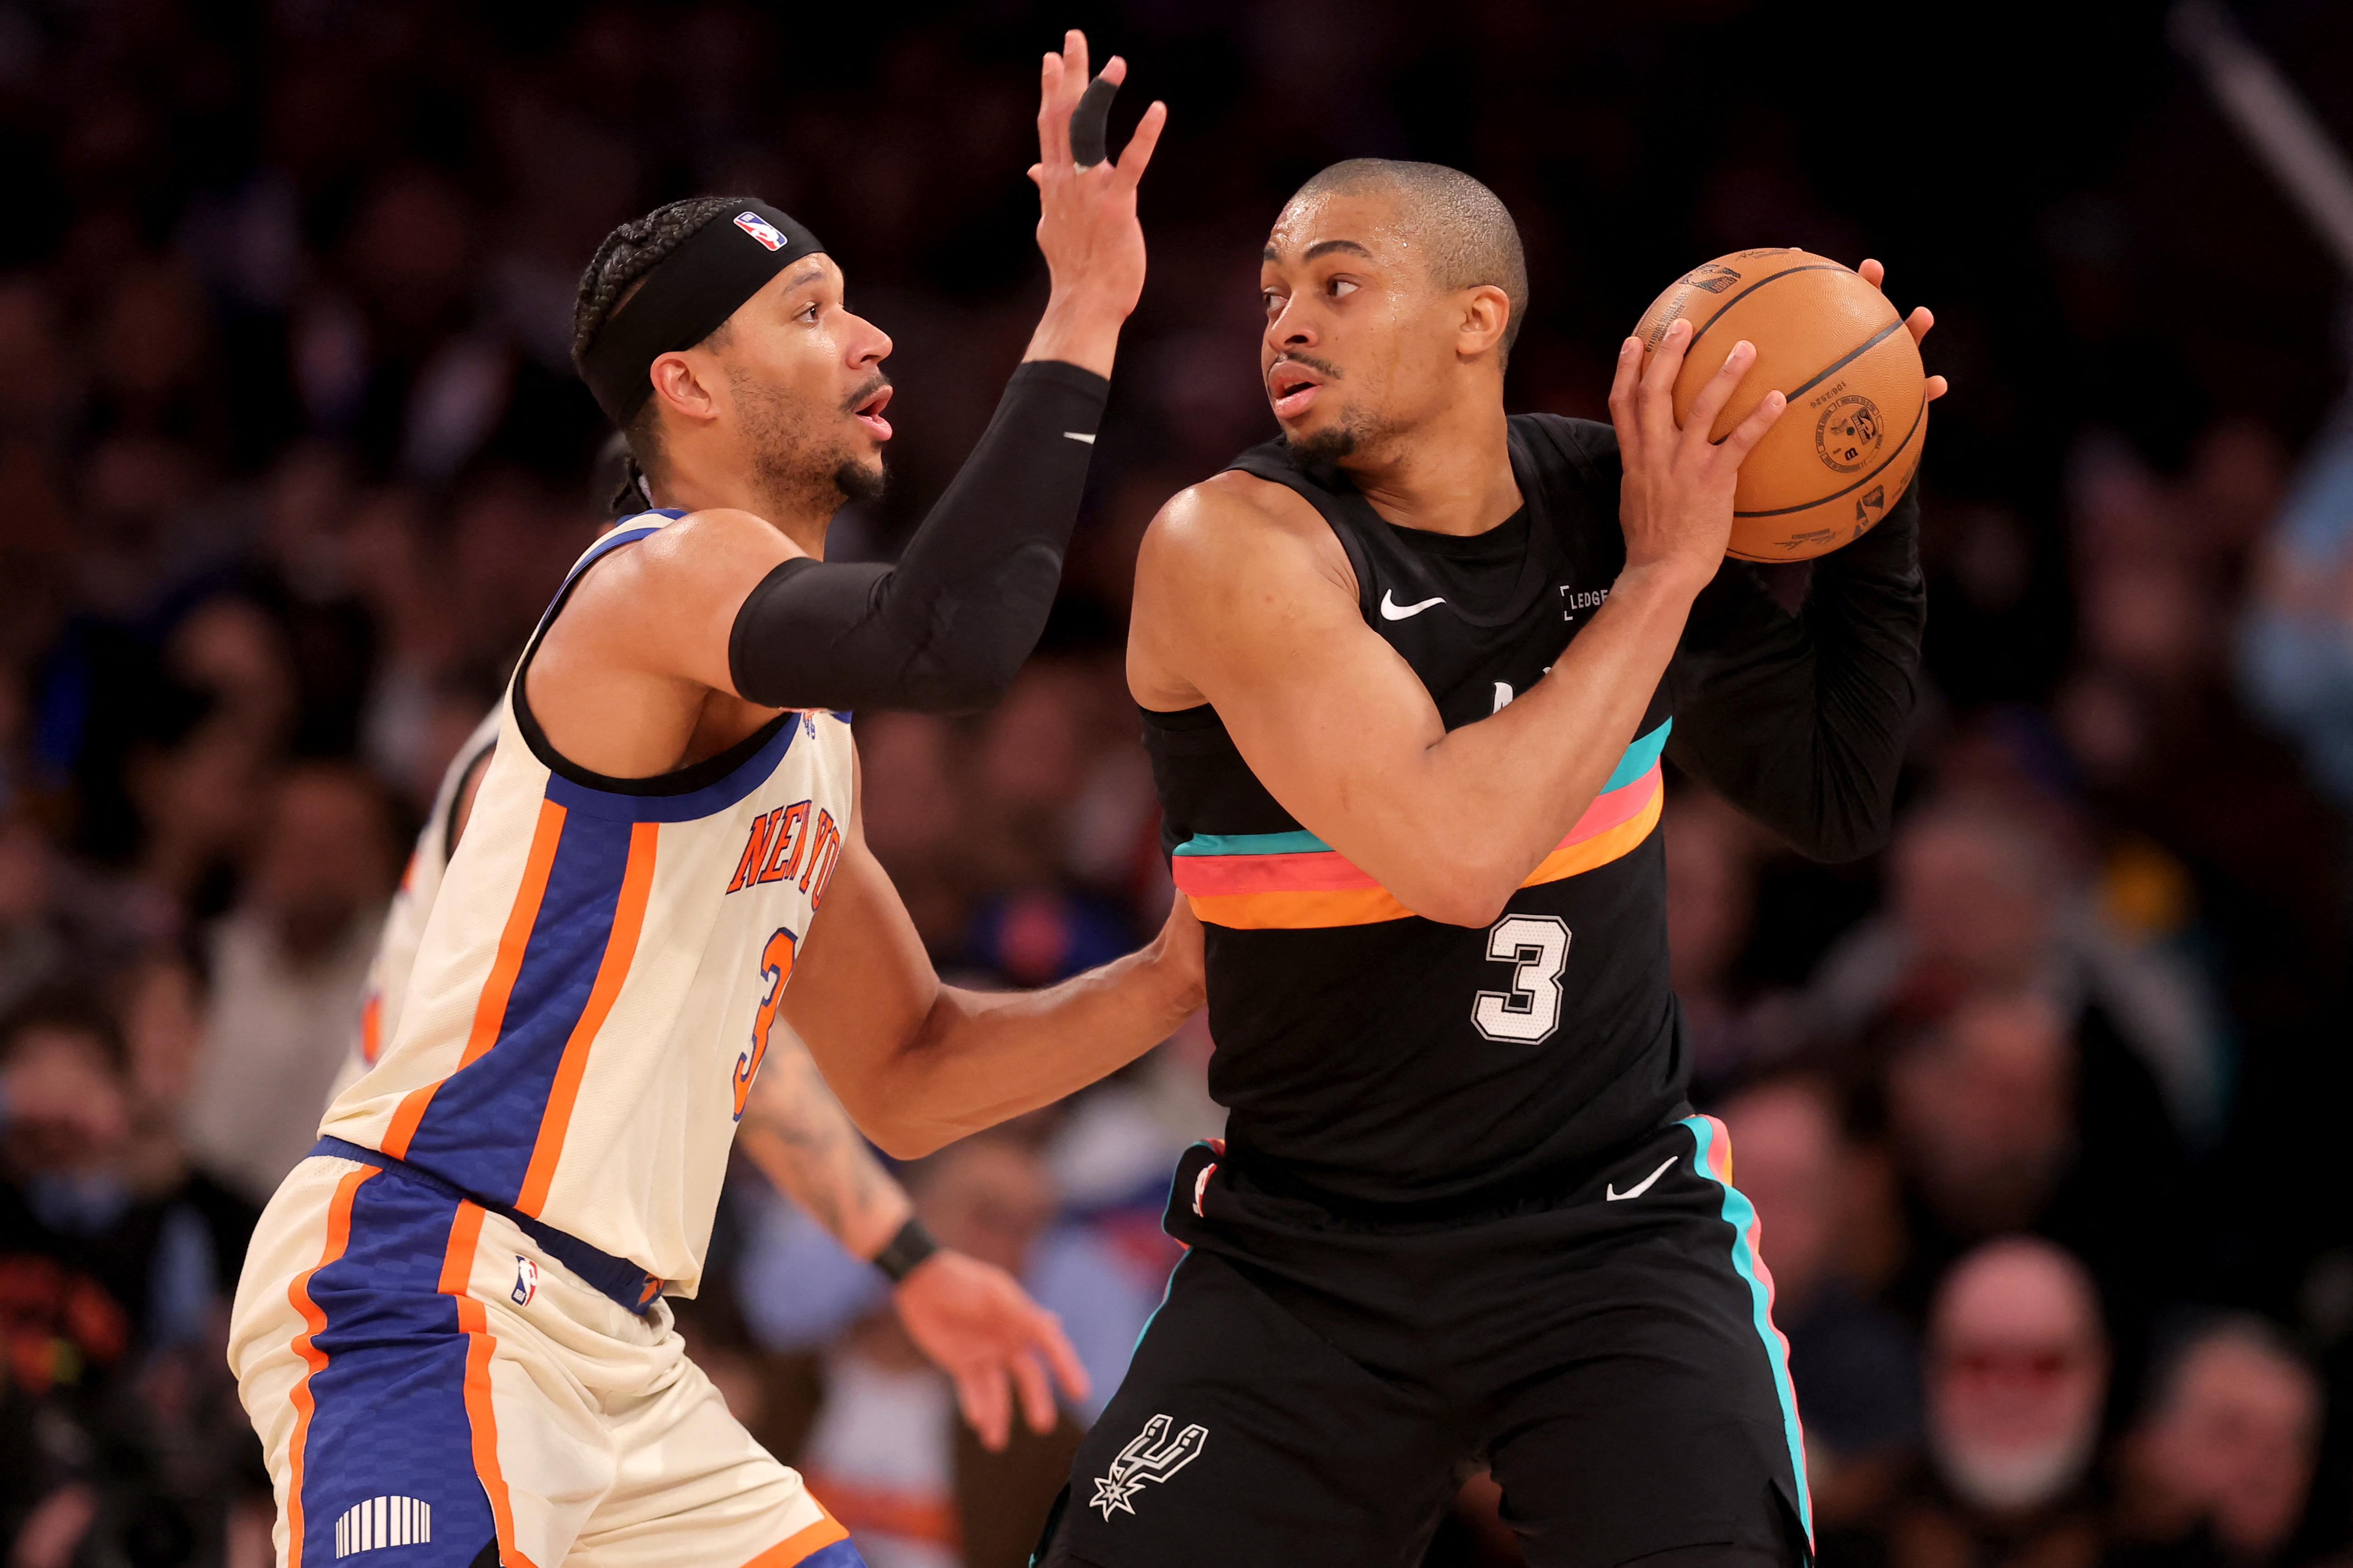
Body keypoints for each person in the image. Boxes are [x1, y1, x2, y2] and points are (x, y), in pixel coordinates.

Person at [228, 34, 1200, 1568]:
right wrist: (1082, 308)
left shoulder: (802, 731)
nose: (871, 337)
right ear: (684, 384)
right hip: (430, 1279)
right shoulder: (662, 578)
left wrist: (1173, 976)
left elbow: (911, 1070)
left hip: (623, 1352)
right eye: (812, 314)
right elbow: (949, 640)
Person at [1049, 159, 1944, 1568]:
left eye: (1339, 284)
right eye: (1276, 293)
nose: (1287, 322)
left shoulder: (1614, 496)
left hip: (1611, 1232)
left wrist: (1858, 483)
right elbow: (1456, 855)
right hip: (1314, 1252)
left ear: (1479, 319)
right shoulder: (1233, 542)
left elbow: (1832, 797)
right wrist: (1661, 581)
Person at [334, 589, 1098, 1458]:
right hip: (430, 1267)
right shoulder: (530, 777)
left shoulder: (707, 778)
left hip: (568, 1296)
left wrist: (912, 1261)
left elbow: (741, 1050)